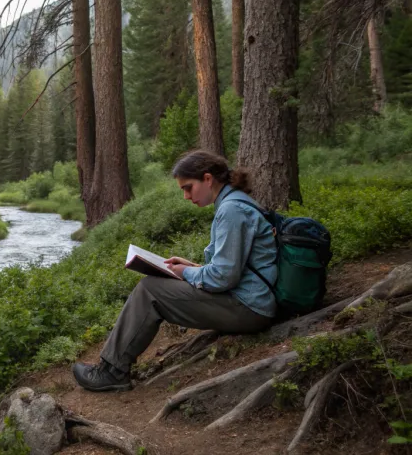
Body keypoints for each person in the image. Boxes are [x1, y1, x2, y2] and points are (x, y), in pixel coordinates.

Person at [72, 150, 278, 392]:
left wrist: (185, 273)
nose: (185, 196)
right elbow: (235, 267)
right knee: (152, 286)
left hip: (249, 308)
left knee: (150, 290)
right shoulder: (235, 203)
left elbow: (224, 277)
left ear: (208, 179)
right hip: (249, 301)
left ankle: (112, 372)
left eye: (188, 188)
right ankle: (113, 368)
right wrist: (191, 267)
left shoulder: (231, 210)